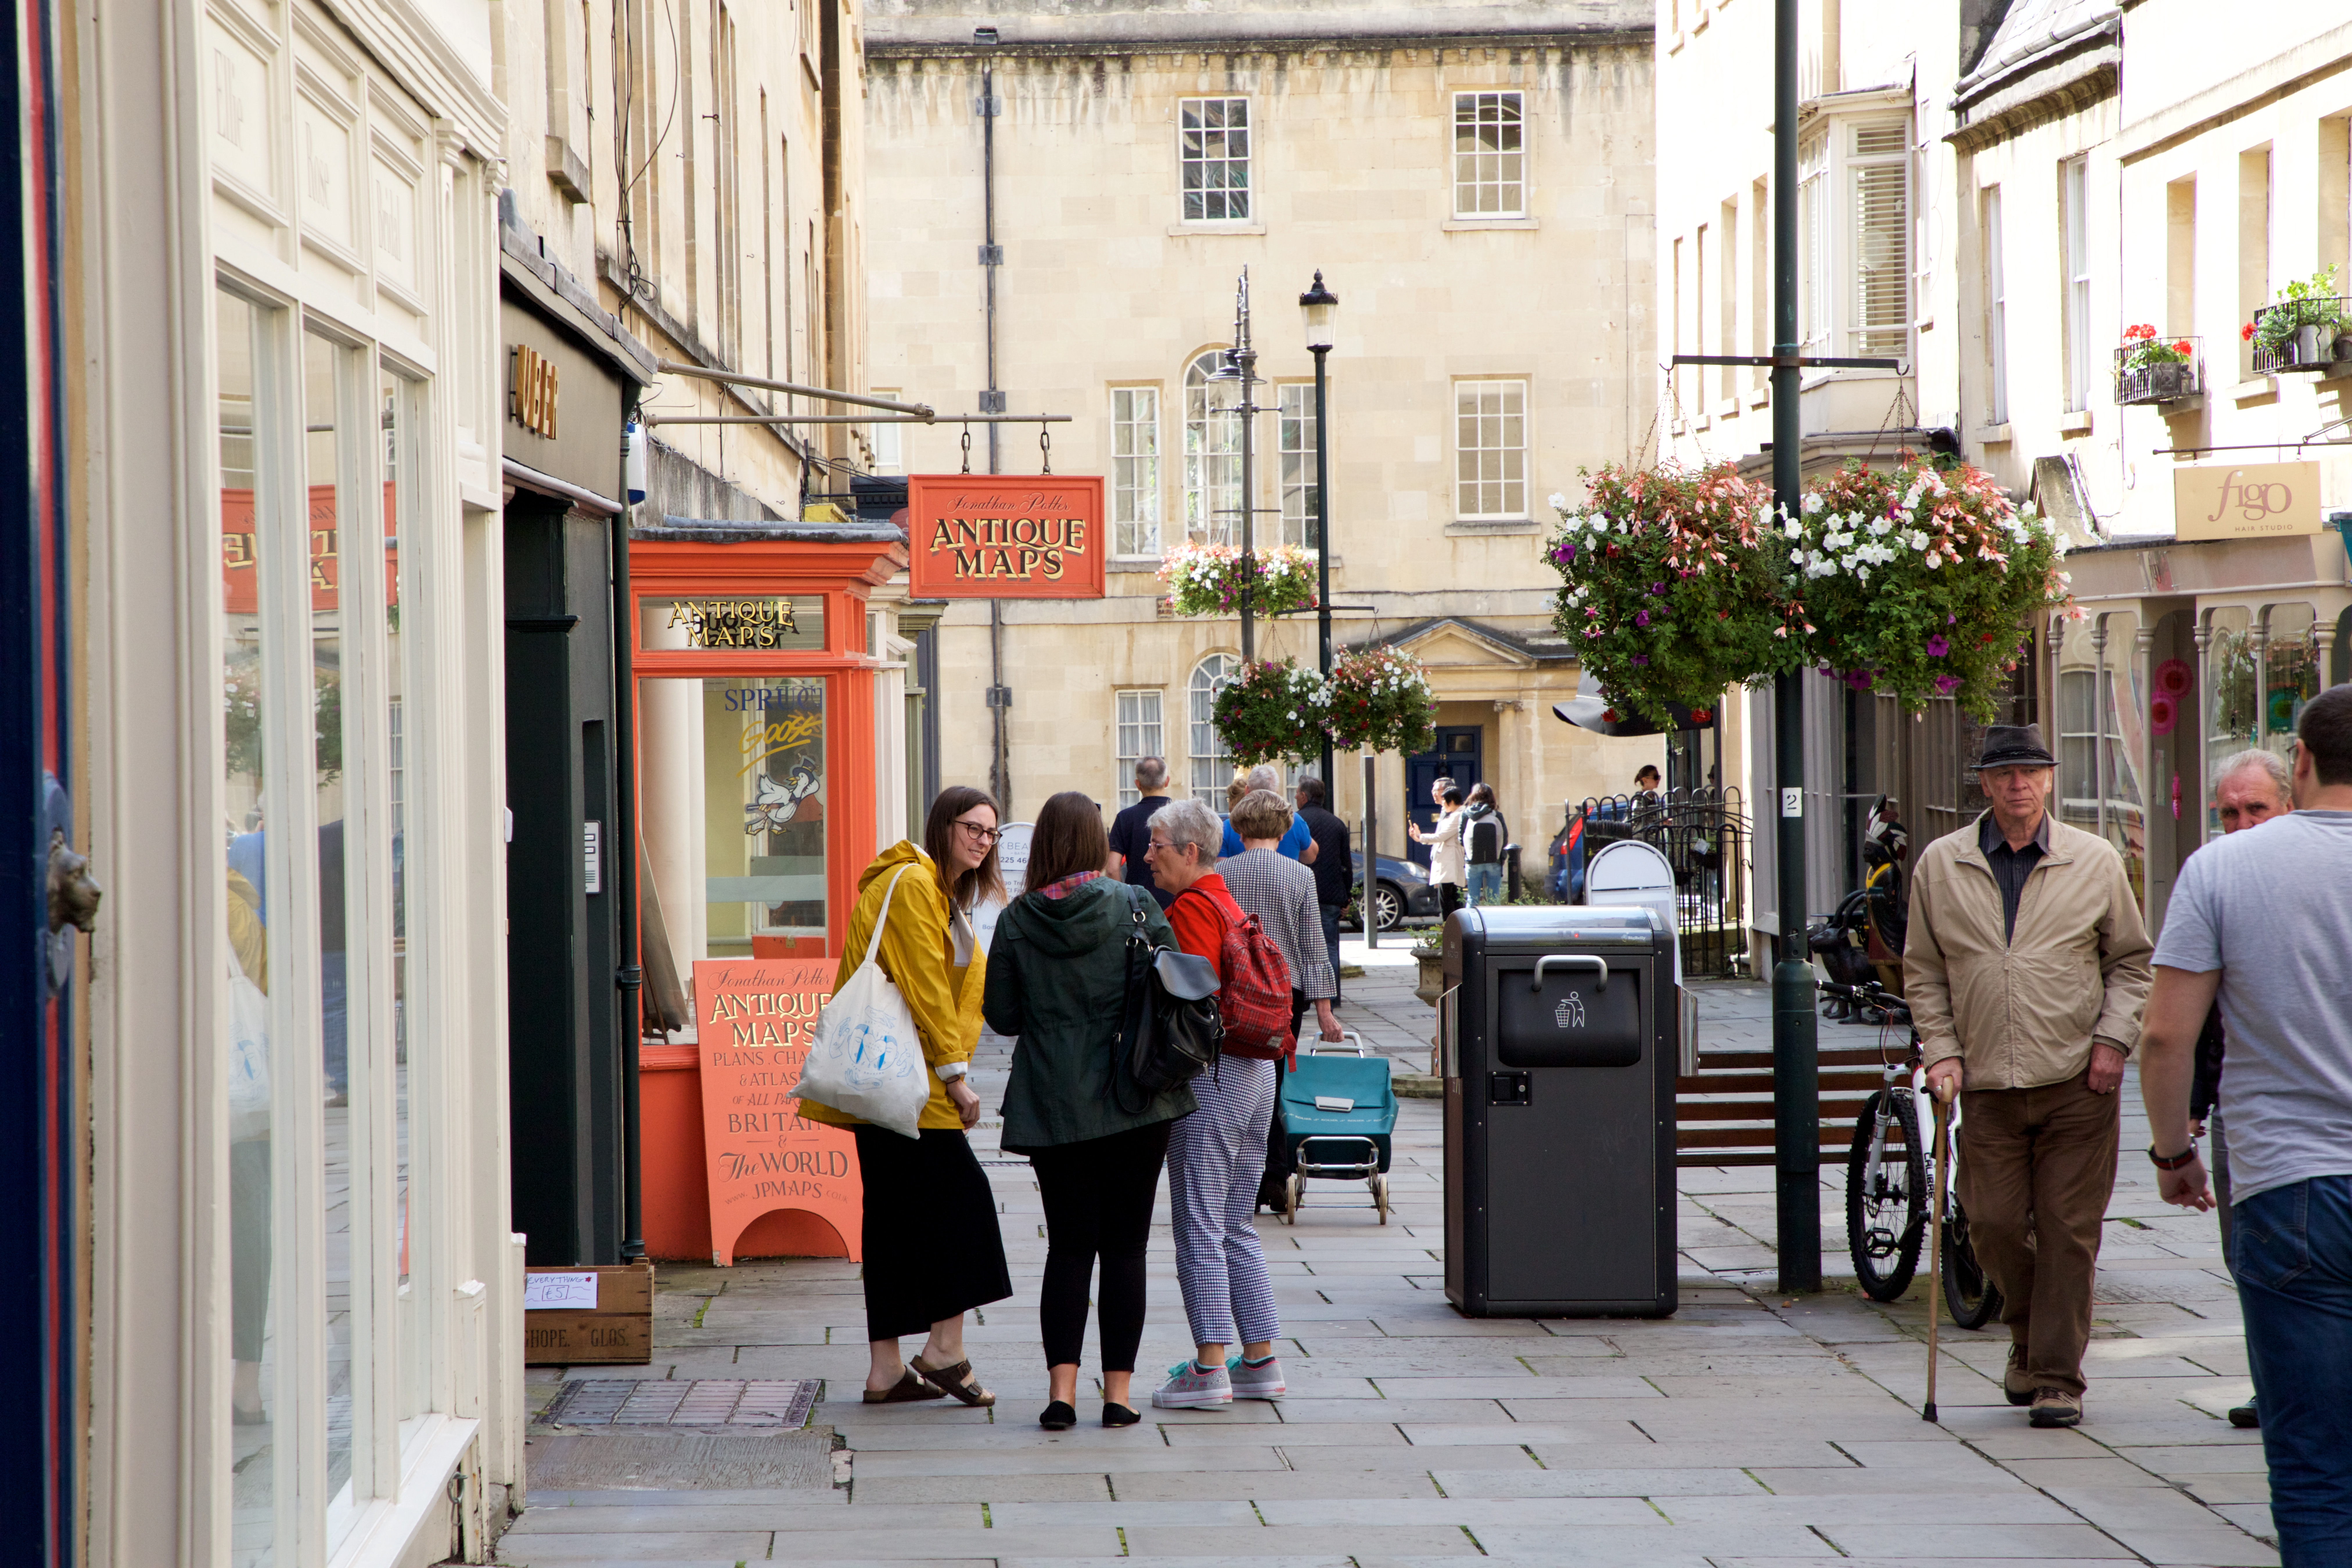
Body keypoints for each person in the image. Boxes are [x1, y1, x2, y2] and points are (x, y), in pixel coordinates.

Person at [2139, 688, 2352, 1563]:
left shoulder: (2224, 871)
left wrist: (2173, 1153)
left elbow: (2163, 1035)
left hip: (2288, 1185)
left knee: (2313, 1469)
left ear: (2299, 761)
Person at [1905, 723, 2153, 1430]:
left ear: (2049, 779)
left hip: (2078, 1078)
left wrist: (2113, 1040)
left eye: (2031, 772)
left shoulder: (2094, 859)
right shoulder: (1941, 863)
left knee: (2069, 1230)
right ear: (1984, 784)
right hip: (1982, 1083)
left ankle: (2053, 1375)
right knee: (1991, 1223)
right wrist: (1941, 1050)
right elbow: (1923, 969)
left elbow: (2132, 962)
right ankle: (2026, 1332)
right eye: (2004, 774)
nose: (2018, 784)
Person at [983, 791, 1196, 1431]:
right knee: (1127, 1249)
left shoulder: (1018, 919)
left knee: (1070, 1249)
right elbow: (1177, 982)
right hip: (1136, 1097)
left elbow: (1003, 1016)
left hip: (1055, 1102)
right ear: (1095, 840)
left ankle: (1062, 1394)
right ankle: (1119, 1396)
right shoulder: (1135, 904)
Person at [799, 786, 1015, 1409]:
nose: (982, 840)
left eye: (991, 833)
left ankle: (887, 1371)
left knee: (893, 1223)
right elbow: (924, 985)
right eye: (972, 827)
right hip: (913, 1087)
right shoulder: (915, 885)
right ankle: (945, 1350)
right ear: (944, 825)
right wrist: (956, 1076)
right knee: (967, 1204)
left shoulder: (936, 891)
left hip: (893, 1087)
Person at [1142, 796, 1312, 1409]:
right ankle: (1261, 1360)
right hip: (1257, 1071)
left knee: (1198, 1223)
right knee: (1237, 1222)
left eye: (1157, 846)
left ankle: (1210, 1368)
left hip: (1212, 1076)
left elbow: (1192, 998)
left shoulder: (1192, 907)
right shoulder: (1231, 901)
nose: (1147, 856)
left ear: (1190, 851)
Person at [2189, 749, 2295, 1430]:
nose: (2243, 823)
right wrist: (2189, 1112)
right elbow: (2190, 1013)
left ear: (2288, 802)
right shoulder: (2215, 878)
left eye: (2256, 808)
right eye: (2230, 812)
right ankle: (2274, 1383)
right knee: (2246, 1252)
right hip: (2240, 1100)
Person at [1294, 776, 1354, 1006]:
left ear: (1305, 797)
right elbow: (1346, 864)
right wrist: (1346, 896)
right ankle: (1332, 997)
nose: (1296, 797)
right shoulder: (1337, 824)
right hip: (1330, 896)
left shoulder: (1296, 821)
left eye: (1298, 794)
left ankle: (1304, 999)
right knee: (1329, 946)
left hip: (1302, 893)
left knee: (1299, 947)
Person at [1106, 756, 1177, 908]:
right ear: (1167, 781)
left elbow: (1112, 870)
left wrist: (1125, 901)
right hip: (1177, 903)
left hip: (1137, 906)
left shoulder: (1125, 818)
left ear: (1138, 784)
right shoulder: (1182, 816)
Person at [1219, 764, 1319, 863]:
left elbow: (1220, 868)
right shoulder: (1294, 820)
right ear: (1276, 793)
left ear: (1247, 791)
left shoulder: (1228, 827)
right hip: (1287, 877)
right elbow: (1311, 857)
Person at [1410, 782, 1467, 919]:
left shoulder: (1458, 816)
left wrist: (1420, 837)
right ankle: (1453, 930)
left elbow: (1442, 836)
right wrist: (1420, 837)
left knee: (1448, 898)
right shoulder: (1453, 814)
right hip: (1447, 860)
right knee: (1450, 897)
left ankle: (1451, 930)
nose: (1442, 805)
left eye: (1444, 802)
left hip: (1450, 861)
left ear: (1451, 801)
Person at [1460, 783, 1509, 907]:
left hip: (1473, 861)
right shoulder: (1497, 815)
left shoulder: (1466, 815)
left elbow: (1461, 838)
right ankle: (1494, 925)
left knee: (1473, 898)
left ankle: (1471, 925)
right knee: (1494, 898)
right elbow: (1505, 838)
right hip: (1494, 860)